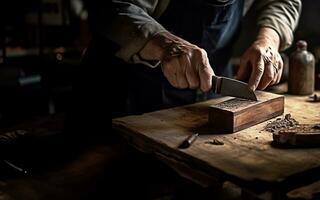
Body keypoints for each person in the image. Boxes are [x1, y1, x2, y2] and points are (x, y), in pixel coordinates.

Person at [82, 0, 301, 118]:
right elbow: (109, 6)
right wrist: (165, 44)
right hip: (126, 91)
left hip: (212, 88)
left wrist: (269, 40)